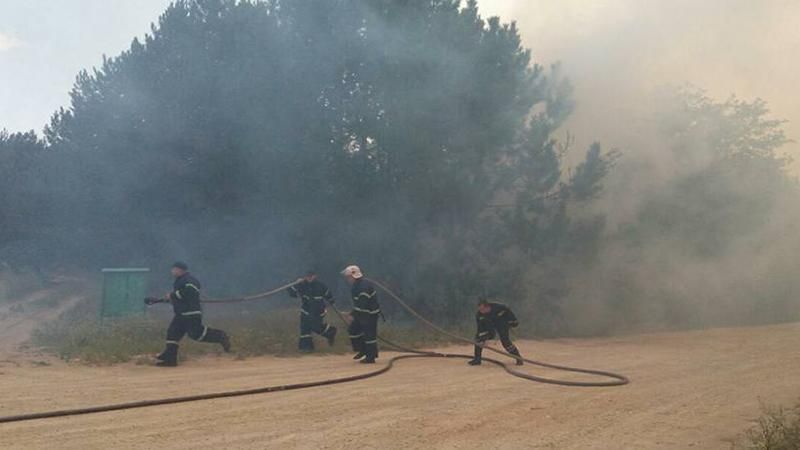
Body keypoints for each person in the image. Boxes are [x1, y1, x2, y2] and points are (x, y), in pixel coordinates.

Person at [146, 262, 231, 367]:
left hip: (191, 313)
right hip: (181, 313)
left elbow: (189, 292)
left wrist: (172, 295)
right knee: (173, 333)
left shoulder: (189, 280)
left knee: (196, 334)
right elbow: (180, 298)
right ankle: (170, 358)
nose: (172, 271)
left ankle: (220, 336)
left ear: (180, 270)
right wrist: (157, 300)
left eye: (173, 269)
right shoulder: (180, 281)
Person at [287, 269, 337, 352]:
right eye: (307, 276)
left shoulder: (321, 286)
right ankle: (306, 348)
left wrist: (332, 302)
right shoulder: (301, 285)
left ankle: (330, 332)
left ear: (315, 276)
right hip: (306, 310)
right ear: (305, 277)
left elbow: (329, 296)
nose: (309, 277)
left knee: (315, 327)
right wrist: (294, 284)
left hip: (318, 311)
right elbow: (292, 294)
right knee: (304, 328)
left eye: (311, 276)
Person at [341, 265, 380, 364]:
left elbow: (362, 304)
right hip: (362, 313)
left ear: (353, 276)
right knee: (353, 330)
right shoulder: (357, 285)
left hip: (370, 314)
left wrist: (351, 314)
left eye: (348, 277)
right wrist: (353, 314)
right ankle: (363, 350)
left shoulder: (363, 287)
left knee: (369, 335)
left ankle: (370, 357)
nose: (347, 279)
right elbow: (359, 305)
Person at [468, 297, 523, 366]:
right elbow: (480, 328)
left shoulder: (500, 307)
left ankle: (518, 358)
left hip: (501, 324)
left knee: (506, 342)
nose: (481, 311)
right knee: (478, 339)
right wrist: (481, 339)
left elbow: (508, 312)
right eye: (479, 309)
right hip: (489, 327)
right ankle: (477, 359)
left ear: (488, 307)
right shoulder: (479, 315)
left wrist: (513, 322)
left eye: (482, 309)